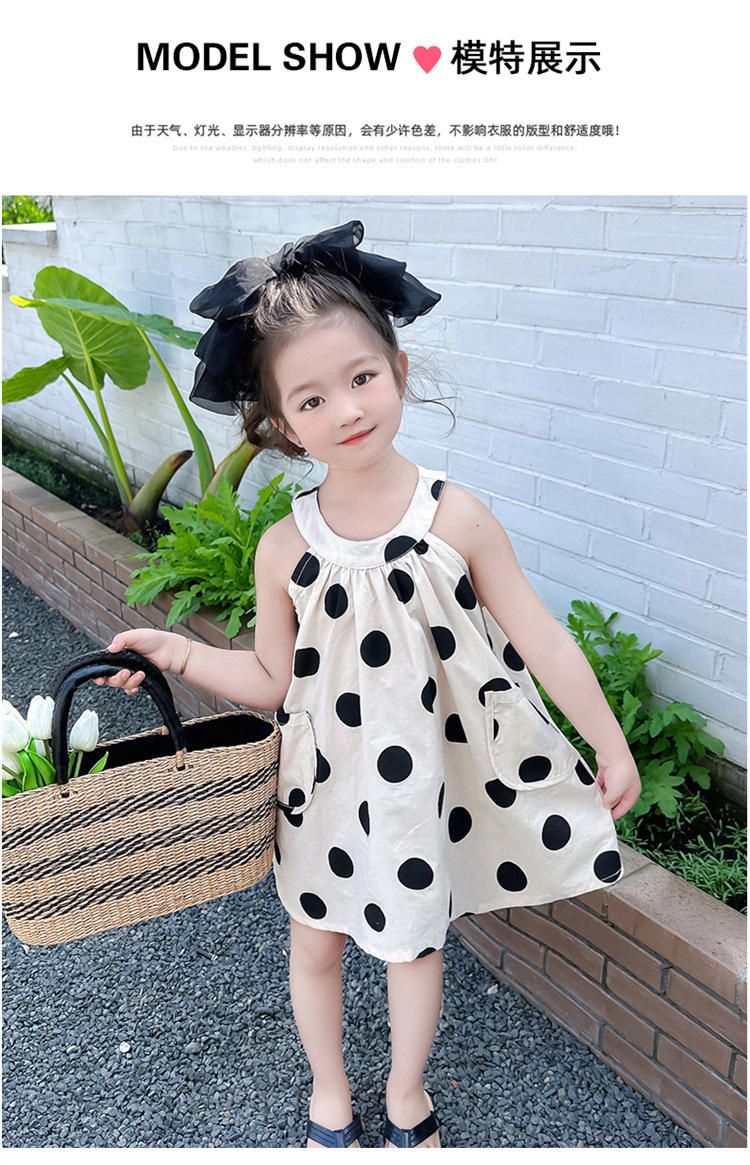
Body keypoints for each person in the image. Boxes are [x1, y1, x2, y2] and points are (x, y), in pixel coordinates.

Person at [97, 221, 641, 1149]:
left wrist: (608, 738)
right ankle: (329, 1094)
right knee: (315, 942)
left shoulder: (456, 517)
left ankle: (405, 1095)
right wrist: (178, 655)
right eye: (312, 398)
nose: (346, 410)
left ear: (397, 367)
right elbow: (271, 677)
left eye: (361, 378)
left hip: (421, 789)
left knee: (412, 946)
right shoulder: (285, 547)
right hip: (322, 790)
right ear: (280, 424)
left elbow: (541, 637)